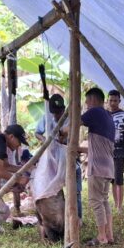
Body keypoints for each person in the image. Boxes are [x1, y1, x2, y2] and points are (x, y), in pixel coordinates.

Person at [35, 93, 82, 222]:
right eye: (54, 113)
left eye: (59, 112)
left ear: (63, 109)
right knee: (54, 190)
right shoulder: (46, 117)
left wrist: (64, 140)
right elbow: (37, 133)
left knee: (75, 191)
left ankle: (78, 219)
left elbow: (74, 137)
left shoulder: (70, 119)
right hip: (52, 159)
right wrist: (46, 141)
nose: (56, 115)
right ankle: (60, 218)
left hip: (68, 156)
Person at [80, 87, 115, 246]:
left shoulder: (95, 112)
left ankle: (101, 236)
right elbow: (98, 145)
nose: (86, 105)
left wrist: (60, 133)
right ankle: (109, 235)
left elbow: (75, 122)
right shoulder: (108, 116)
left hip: (98, 167)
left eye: (87, 101)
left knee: (95, 201)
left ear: (93, 100)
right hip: (108, 166)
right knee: (104, 200)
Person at [107, 90, 124, 212]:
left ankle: (120, 205)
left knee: (119, 178)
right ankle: (115, 203)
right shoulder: (104, 115)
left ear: (119, 101)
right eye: (110, 100)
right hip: (106, 152)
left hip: (120, 151)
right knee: (112, 179)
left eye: (115, 100)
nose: (112, 103)